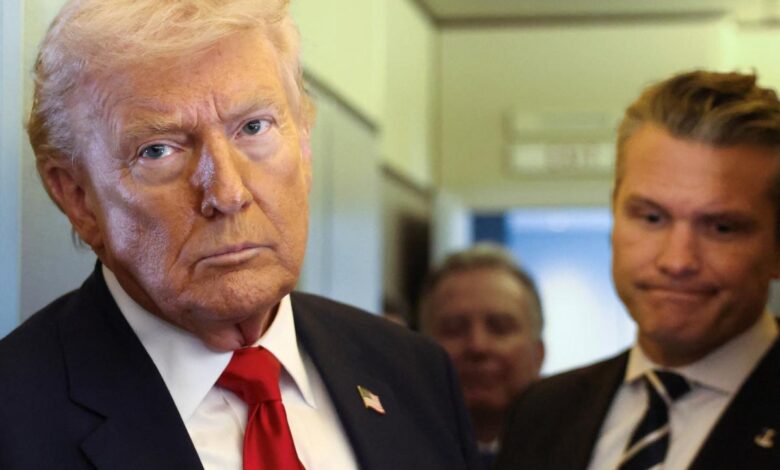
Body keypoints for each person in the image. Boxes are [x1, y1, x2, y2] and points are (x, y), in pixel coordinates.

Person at [0, 1, 480, 469]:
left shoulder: (415, 373)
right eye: (159, 150)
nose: (228, 193)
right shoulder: (15, 416)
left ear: (304, 144)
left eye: (253, 127)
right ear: (78, 197)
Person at [496, 70, 780, 470]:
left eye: (721, 228)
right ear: (614, 212)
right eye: (651, 218)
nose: (677, 262)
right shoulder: (543, 412)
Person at [420, 244, 545, 468]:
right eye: (454, 329)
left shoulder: (583, 453)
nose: (478, 346)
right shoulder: (383, 449)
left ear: (539, 354)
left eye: (500, 327)